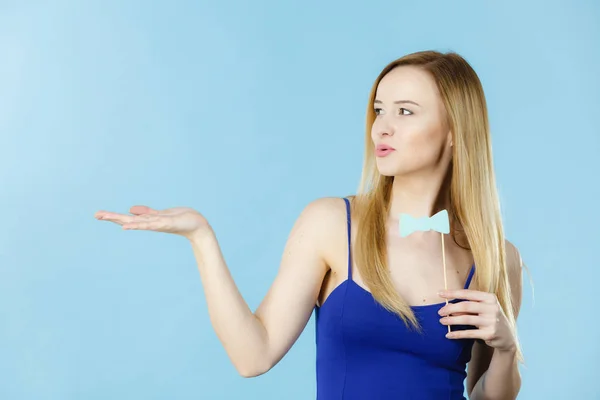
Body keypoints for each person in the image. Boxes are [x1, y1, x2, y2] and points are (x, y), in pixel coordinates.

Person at [95, 50, 525, 399]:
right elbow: (253, 356)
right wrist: (201, 237)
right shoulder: (332, 223)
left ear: (454, 130)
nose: (382, 127)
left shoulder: (496, 258)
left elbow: (488, 396)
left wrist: (506, 349)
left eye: (406, 112)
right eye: (379, 109)